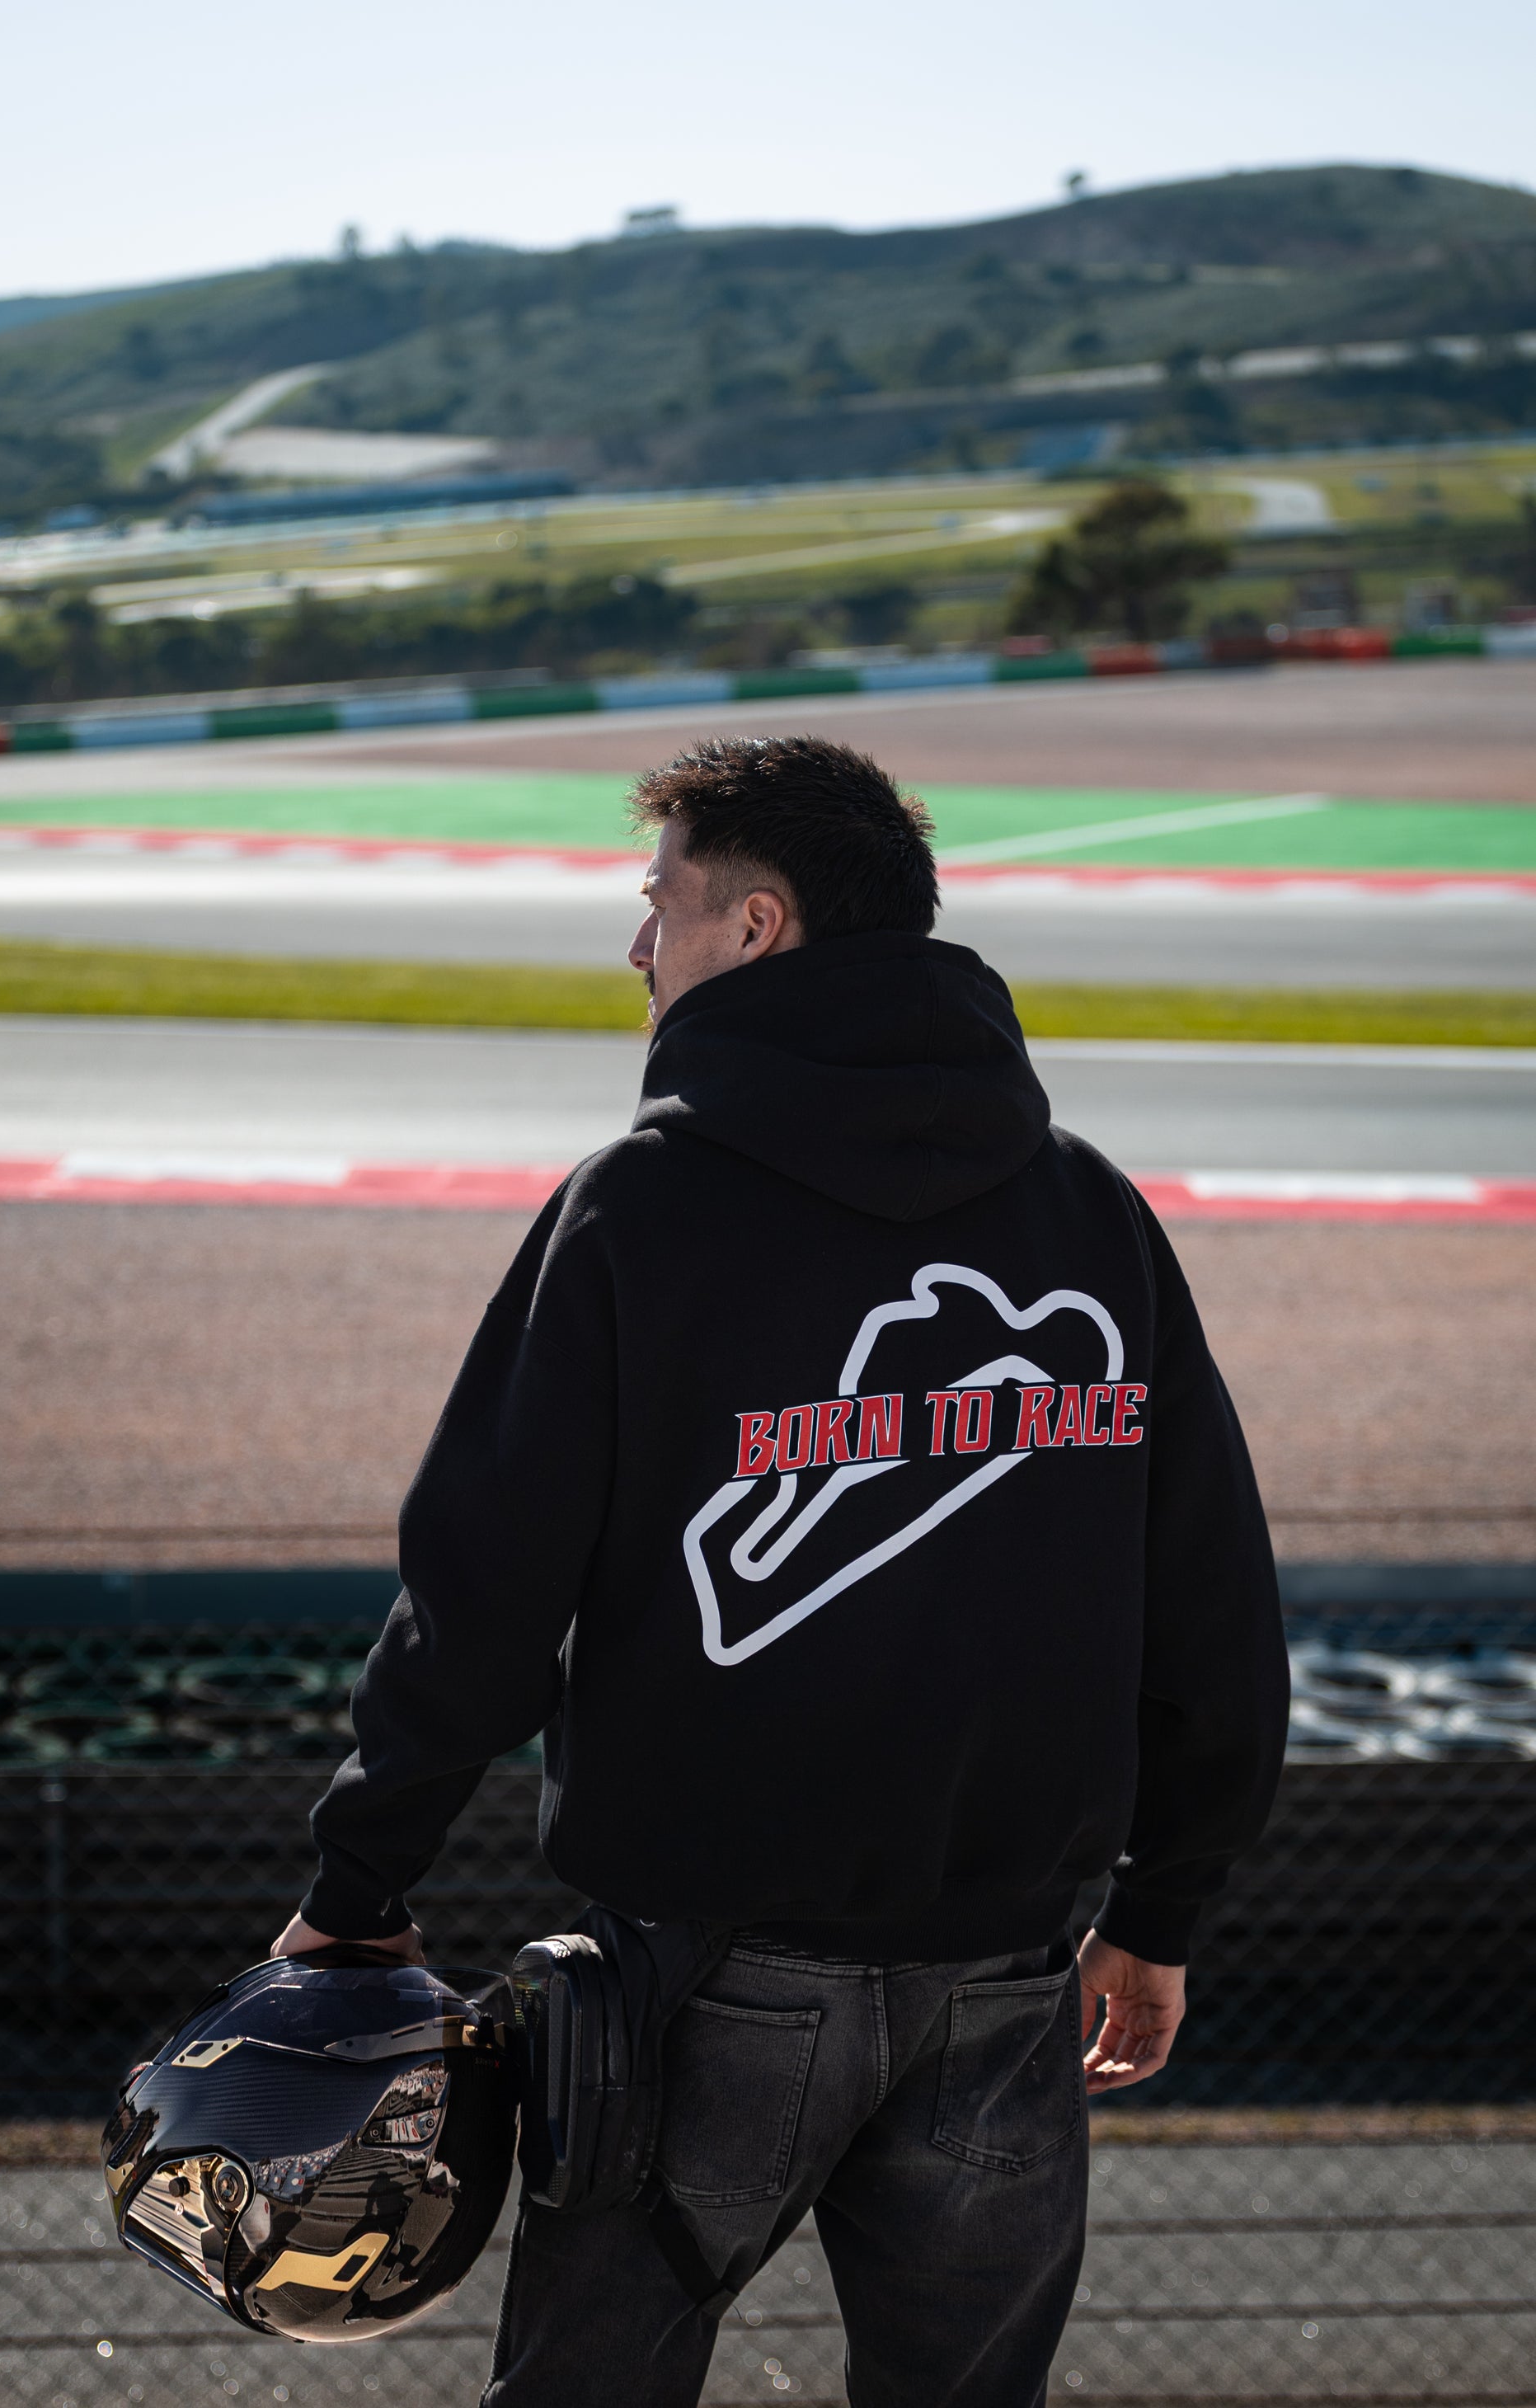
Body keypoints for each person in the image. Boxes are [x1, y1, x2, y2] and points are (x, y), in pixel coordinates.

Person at [273, 733, 1288, 2407]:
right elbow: (1212, 1600)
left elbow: (482, 1594)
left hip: (703, 1979)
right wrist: (1162, 1906)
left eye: (658, 901)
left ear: (754, 926)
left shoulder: (640, 1208)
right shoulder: (1089, 1213)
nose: (636, 943)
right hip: (1011, 1975)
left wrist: (357, 1888)